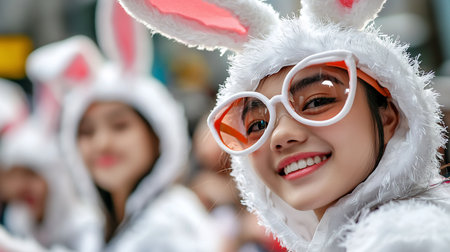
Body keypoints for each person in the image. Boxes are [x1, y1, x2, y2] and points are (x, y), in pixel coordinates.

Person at [119, 0, 450, 251]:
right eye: (258, 123)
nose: (281, 135)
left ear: (390, 113)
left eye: (318, 101)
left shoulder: (403, 238)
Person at [56, 0, 221, 250]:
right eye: (86, 132)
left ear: (157, 135)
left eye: (120, 125)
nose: (102, 143)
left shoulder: (172, 226)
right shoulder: (95, 226)